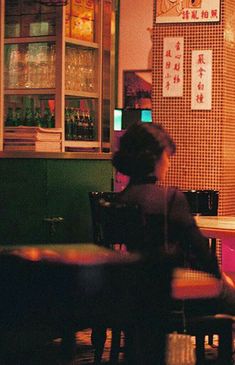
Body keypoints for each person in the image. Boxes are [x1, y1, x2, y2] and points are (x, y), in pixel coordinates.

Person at [112, 121, 235, 315]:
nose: (169, 163)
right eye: (167, 156)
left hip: (134, 295)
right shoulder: (170, 199)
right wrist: (221, 278)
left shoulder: (119, 200)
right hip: (175, 298)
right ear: (153, 158)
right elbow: (202, 254)